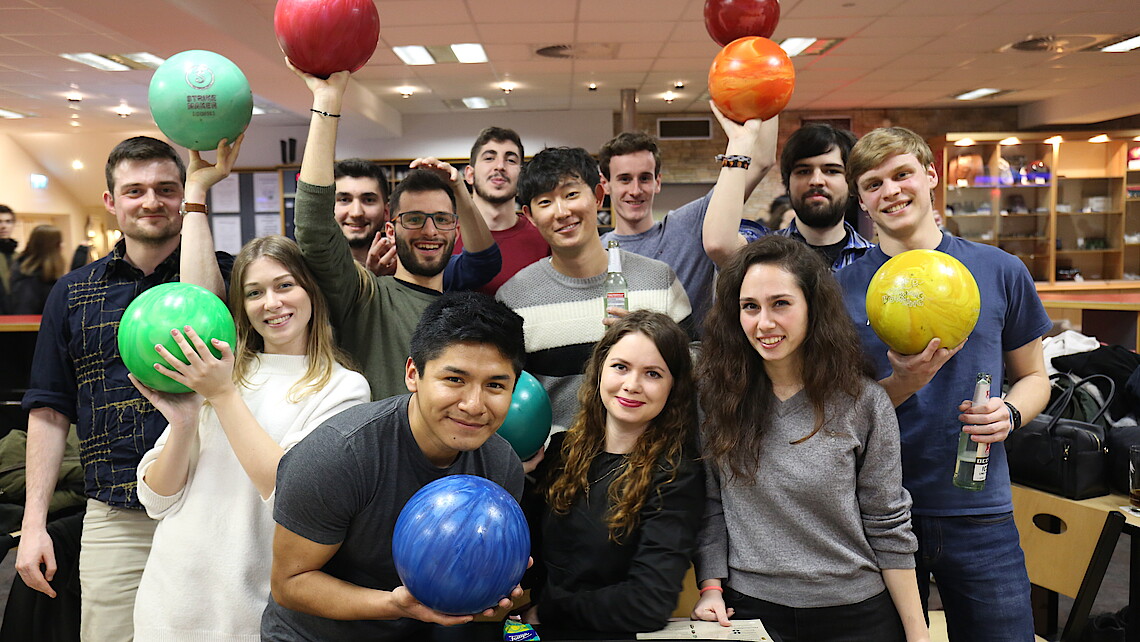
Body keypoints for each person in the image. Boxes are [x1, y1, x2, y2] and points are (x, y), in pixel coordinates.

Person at [17, 135, 240, 642]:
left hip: (212, 505)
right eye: (135, 190)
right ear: (111, 202)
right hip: (116, 513)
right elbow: (49, 411)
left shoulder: (226, 274)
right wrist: (34, 526)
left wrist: (202, 188)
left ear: (184, 197)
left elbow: (203, 302)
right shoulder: (73, 292)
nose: (152, 201)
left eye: (166, 188)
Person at [835, 127, 1051, 641]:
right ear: (862, 200)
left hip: (977, 508)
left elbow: (1035, 376)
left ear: (931, 175)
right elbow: (835, 413)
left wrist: (1012, 413)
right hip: (875, 514)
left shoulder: (1000, 270)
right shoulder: (837, 290)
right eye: (873, 183)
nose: (891, 190)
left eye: (902, 173)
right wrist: (902, 384)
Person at [128, 234, 370, 641]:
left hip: (249, 612)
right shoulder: (219, 368)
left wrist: (222, 395)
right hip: (168, 600)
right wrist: (185, 423)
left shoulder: (344, 389)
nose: (271, 303)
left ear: (311, 290)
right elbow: (156, 499)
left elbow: (291, 492)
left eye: (285, 285)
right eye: (254, 293)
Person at [692, 235, 928, 642]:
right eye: (750, 307)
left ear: (812, 308)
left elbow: (887, 522)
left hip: (856, 612)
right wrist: (710, 585)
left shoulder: (864, 401)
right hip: (748, 610)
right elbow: (711, 503)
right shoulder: (716, 399)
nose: (764, 323)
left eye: (780, 303)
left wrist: (917, 632)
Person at [262, 291, 527, 641]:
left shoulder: (501, 466)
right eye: (454, 380)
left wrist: (493, 586)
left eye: (495, 385)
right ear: (413, 374)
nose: (474, 405)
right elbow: (289, 584)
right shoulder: (340, 454)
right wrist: (395, 604)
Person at [290, 62, 498, 400]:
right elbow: (314, 227)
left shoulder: (465, 313)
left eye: (441, 219)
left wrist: (459, 187)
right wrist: (327, 103)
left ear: (455, 230)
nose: (429, 230)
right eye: (414, 219)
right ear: (391, 227)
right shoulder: (366, 296)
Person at [522, 310, 703, 632]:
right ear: (600, 371)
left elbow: (648, 604)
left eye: (653, 374)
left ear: (673, 387)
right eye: (621, 367)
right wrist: (516, 478)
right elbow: (533, 561)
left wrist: (547, 612)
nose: (631, 385)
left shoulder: (675, 475)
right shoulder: (563, 450)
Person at [495, 146, 691, 430]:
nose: (562, 212)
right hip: (556, 462)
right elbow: (504, 389)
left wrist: (655, 340)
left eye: (571, 195)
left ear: (598, 196)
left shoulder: (658, 279)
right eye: (545, 202)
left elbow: (698, 361)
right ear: (530, 215)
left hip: (652, 459)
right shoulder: (515, 298)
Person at [598, 119, 776, 332]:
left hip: (695, 362)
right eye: (625, 179)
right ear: (606, 185)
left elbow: (762, 161)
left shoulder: (689, 224)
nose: (635, 190)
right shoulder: (598, 254)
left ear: (658, 182)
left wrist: (772, 94)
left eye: (644, 178)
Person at [704, 114, 872, 272]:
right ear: (787, 183)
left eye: (831, 171)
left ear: (851, 184)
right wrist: (738, 147)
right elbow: (719, 246)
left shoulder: (874, 261)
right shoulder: (765, 252)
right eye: (804, 171)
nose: (816, 180)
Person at [454, 126, 550, 295]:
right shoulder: (444, 234)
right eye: (489, 158)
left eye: (511, 160)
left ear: (521, 176)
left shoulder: (544, 235)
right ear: (469, 174)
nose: (500, 166)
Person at [9, 224, 65, 315]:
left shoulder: (48, 274)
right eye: (59, 242)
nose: (63, 245)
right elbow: (25, 316)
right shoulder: (28, 279)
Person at [0, 205, 17, 314]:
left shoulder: (20, 257)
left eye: (8, 221)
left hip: (18, 316)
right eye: (0, 221)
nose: (3, 226)